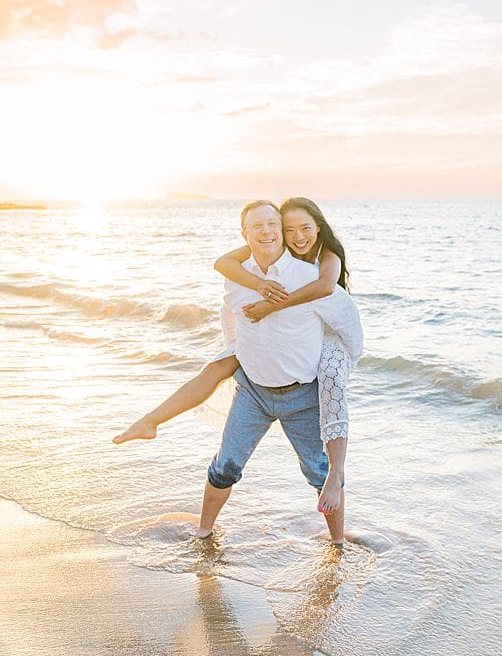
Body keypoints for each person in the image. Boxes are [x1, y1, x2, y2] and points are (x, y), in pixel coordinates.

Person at [114, 199, 361, 542]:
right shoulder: (237, 278)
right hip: (254, 393)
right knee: (224, 467)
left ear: (282, 231)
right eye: (256, 225)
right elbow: (229, 309)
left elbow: (348, 325)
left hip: (302, 396)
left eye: (273, 224)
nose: (266, 231)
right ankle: (202, 535)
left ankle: (337, 544)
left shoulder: (311, 278)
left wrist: (331, 361)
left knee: (321, 474)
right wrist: (245, 346)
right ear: (244, 234)